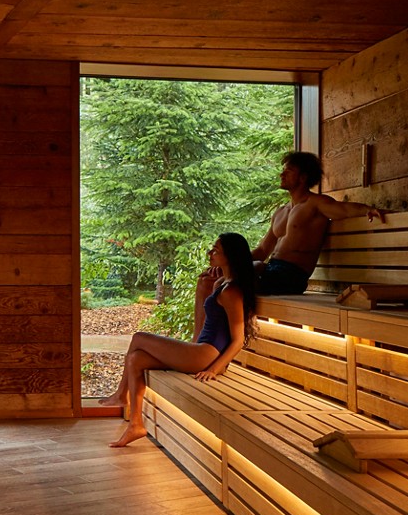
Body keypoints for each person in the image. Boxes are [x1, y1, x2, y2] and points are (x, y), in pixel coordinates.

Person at [99, 232, 258, 448]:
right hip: (200, 351)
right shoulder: (222, 283)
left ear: (229, 256)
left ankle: (120, 395)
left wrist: (214, 369)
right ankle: (136, 424)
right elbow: (208, 322)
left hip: (206, 356)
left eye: (216, 250)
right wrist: (205, 287)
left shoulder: (232, 291)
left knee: (139, 337)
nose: (210, 253)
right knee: (137, 358)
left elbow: (238, 340)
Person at [252, 152, 385, 295]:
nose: (281, 175)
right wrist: (230, 262)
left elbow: (344, 210)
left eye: (288, 171)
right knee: (232, 277)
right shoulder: (280, 212)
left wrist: (368, 209)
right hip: (271, 270)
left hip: (292, 276)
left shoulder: (315, 204)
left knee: (246, 274)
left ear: (303, 177)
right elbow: (262, 250)